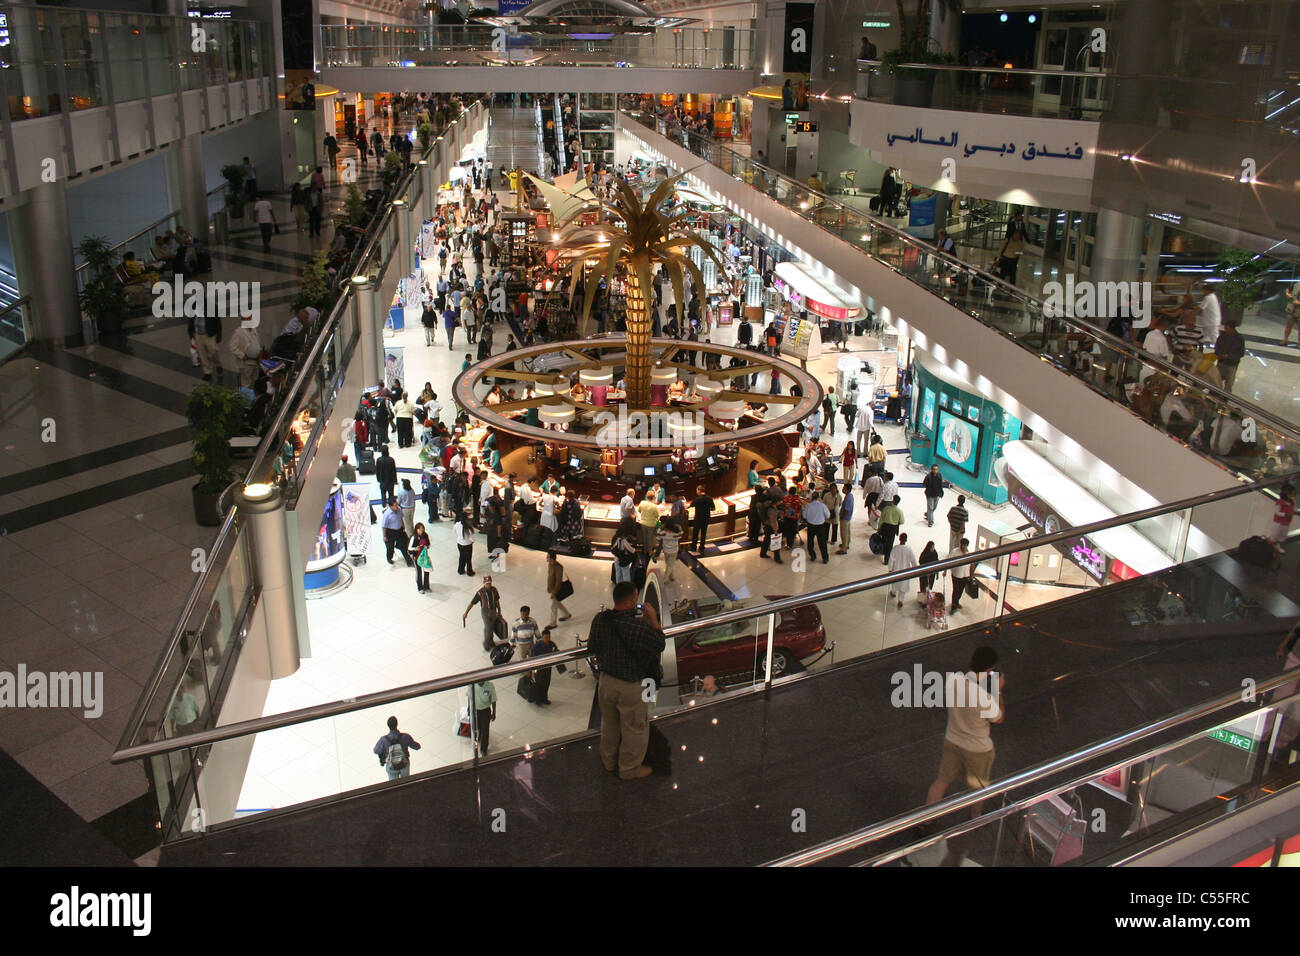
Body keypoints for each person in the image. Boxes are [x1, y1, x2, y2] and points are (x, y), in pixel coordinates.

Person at [924, 646, 1004, 867]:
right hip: (978, 748)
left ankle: (927, 820)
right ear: (989, 670)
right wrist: (999, 691)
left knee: (941, 781)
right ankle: (974, 819)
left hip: (952, 739)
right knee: (978, 786)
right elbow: (998, 718)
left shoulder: (954, 681)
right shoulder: (985, 697)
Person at [587, 581, 667, 780]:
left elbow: (591, 647)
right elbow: (660, 643)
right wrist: (654, 621)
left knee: (610, 722)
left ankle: (608, 761)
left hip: (606, 682)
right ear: (632, 601)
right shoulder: (638, 626)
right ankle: (629, 769)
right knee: (634, 728)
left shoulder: (600, 619)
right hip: (631, 686)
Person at [374, 716, 421, 780]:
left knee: (393, 783)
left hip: (391, 765)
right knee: (406, 781)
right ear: (397, 724)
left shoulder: (383, 740)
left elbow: (376, 751)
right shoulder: (405, 737)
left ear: (388, 726)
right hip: (404, 764)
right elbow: (417, 747)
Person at [463, 575, 503, 651]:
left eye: (490, 583)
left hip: (493, 611)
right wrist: (466, 613)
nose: (489, 585)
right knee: (488, 628)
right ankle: (486, 643)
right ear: (484, 583)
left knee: (492, 627)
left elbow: (497, 601)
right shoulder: (480, 593)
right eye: (487, 583)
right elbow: (472, 603)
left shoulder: (494, 590)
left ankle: (491, 641)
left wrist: (499, 611)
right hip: (485, 612)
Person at [188, 309, 223, 383]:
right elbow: (190, 321)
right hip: (198, 335)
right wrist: (191, 334)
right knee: (202, 353)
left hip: (209, 335)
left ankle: (218, 364)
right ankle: (207, 372)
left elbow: (217, 321)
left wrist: (219, 336)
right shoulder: (193, 307)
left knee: (213, 351)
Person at [529, 628, 561, 705]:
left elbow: (556, 652)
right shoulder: (537, 646)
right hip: (539, 669)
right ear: (542, 638)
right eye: (546, 638)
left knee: (546, 684)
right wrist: (532, 670)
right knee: (539, 684)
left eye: (549, 637)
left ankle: (544, 698)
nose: (548, 639)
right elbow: (532, 658)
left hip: (548, 668)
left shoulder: (552, 644)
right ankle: (538, 699)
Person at [887, 532, 918, 607]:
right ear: (906, 540)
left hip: (896, 570)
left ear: (899, 539)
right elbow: (913, 560)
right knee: (903, 586)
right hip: (905, 571)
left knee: (895, 583)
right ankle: (901, 600)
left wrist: (890, 569)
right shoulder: (909, 549)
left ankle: (893, 592)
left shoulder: (895, 548)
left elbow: (891, 559)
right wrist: (915, 568)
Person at [1214, 321, 1245, 391]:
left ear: (1232, 328)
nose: (1225, 329)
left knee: (1229, 382)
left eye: (1226, 328)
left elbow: (1241, 353)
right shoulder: (1222, 336)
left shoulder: (1239, 338)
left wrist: (1228, 356)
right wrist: (1218, 353)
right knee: (1216, 379)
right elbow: (1217, 346)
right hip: (1221, 362)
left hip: (1231, 364)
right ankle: (1215, 393)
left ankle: (1225, 397)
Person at [802, 490, 831, 563]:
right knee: (822, 543)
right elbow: (828, 515)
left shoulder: (809, 506)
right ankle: (825, 558)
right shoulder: (822, 506)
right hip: (820, 526)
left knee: (810, 542)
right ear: (818, 497)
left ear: (812, 497)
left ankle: (813, 556)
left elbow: (804, 516)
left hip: (811, 526)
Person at [546, 551, 573, 627]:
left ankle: (553, 623)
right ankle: (566, 614)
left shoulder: (558, 567)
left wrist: (554, 592)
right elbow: (550, 576)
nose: (546, 559)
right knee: (557, 603)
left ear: (551, 558)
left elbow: (558, 581)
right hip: (552, 588)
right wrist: (549, 587)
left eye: (547, 557)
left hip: (556, 589)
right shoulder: (550, 565)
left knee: (553, 606)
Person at [381, 500, 412, 566]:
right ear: (391, 506)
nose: (397, 506)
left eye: (397, 505)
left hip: (399, 530)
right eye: (395, 505)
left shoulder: (399, 510)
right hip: (390, 532)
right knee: (390, 547)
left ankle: (408, 561)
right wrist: (384, 536)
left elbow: (401, 518)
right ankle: (389, 558)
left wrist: (403, 525)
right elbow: (384, 526)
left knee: (403, 545)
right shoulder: (387, 514)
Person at [472, 678, 497, 754]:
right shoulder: (472, 686)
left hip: (485, 711)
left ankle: (484, 749)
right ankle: (480, 736)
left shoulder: (489, 686)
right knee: (478, 727)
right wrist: (469, 709)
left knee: (485, 730)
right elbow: (469, 697)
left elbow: (493, 700)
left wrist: (494, 712)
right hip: (476, 711)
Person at [948, 537, 973, 613]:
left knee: (960, 591)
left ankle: (956, 602)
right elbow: (948, 561)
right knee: (956, 590)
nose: (962, 547)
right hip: (956, 575)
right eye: (961, 545)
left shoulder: (969, 554)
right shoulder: (955, 552)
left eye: (964, 545)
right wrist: (946, 571)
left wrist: (971, 575)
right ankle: (953, 606)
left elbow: (971, 565)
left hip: (965, 575)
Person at [878, 494, 904, 563]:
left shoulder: (886, 508)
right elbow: (901, 521)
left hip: (885, 527)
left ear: (893, 500)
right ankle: (886, 559)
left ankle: (882, 551)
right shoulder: (899, 511)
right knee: (890, 543)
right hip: (893, 528)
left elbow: (881, 519)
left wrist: (879, 527)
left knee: (884, 540)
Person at [1271, 484, 1296, 553]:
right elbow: (1277, 512)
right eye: (1291, 494)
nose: (1293, 495)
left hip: (1286, 522)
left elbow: (1292, 509)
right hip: (1278, 522)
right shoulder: (1280, 502)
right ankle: (1271, 547)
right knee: (1275, 534)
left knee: (1282, 535)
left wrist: (1292, 512)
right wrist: (1285, 514)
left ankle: (1278, 546)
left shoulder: (1291, 502)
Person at [690, 485, 715, 553]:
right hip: (706, 518)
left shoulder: (697, 499)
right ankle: (702, 547)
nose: (696, 492)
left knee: (695, 533)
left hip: (698, 519)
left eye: (696, 490)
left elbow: (691, 505)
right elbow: (713, 508)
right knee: (703, 534)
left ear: (699, 490)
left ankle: (693, 547)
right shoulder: (709, 498)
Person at [409, 522, 431, 592]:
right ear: (417, 529)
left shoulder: (425, 535)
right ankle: (420, 587)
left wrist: (426, 546)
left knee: (426, 571)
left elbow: (429, 545)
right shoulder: (413, 537)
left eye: (423, 529)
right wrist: (415, 548)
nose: (422, 531)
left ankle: (426, 586)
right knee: (419, 572)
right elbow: (409, 548)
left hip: (424, 556)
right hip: (416, 556)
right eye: (420, 529)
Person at [836, 480, 855, 554]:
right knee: (847, 532)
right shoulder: (850, 496)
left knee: (843, 533)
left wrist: (842, 517)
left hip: (845, 518)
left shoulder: (848, 498)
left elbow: (847, 510)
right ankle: (846, 544)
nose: (842, 489)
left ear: (847, 489)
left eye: (844, 488)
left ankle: (843, 549)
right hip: (848, 518)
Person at [454, 510, 476, 574]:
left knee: (461, 557)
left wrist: (459, 538)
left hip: (460, 544)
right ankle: (469, 571)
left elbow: (454, 533)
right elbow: (471, 538)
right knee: (468, 559)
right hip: (468, 545)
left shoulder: (456, 525)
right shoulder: (468, 527)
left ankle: (460, 570)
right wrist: (473, 541)